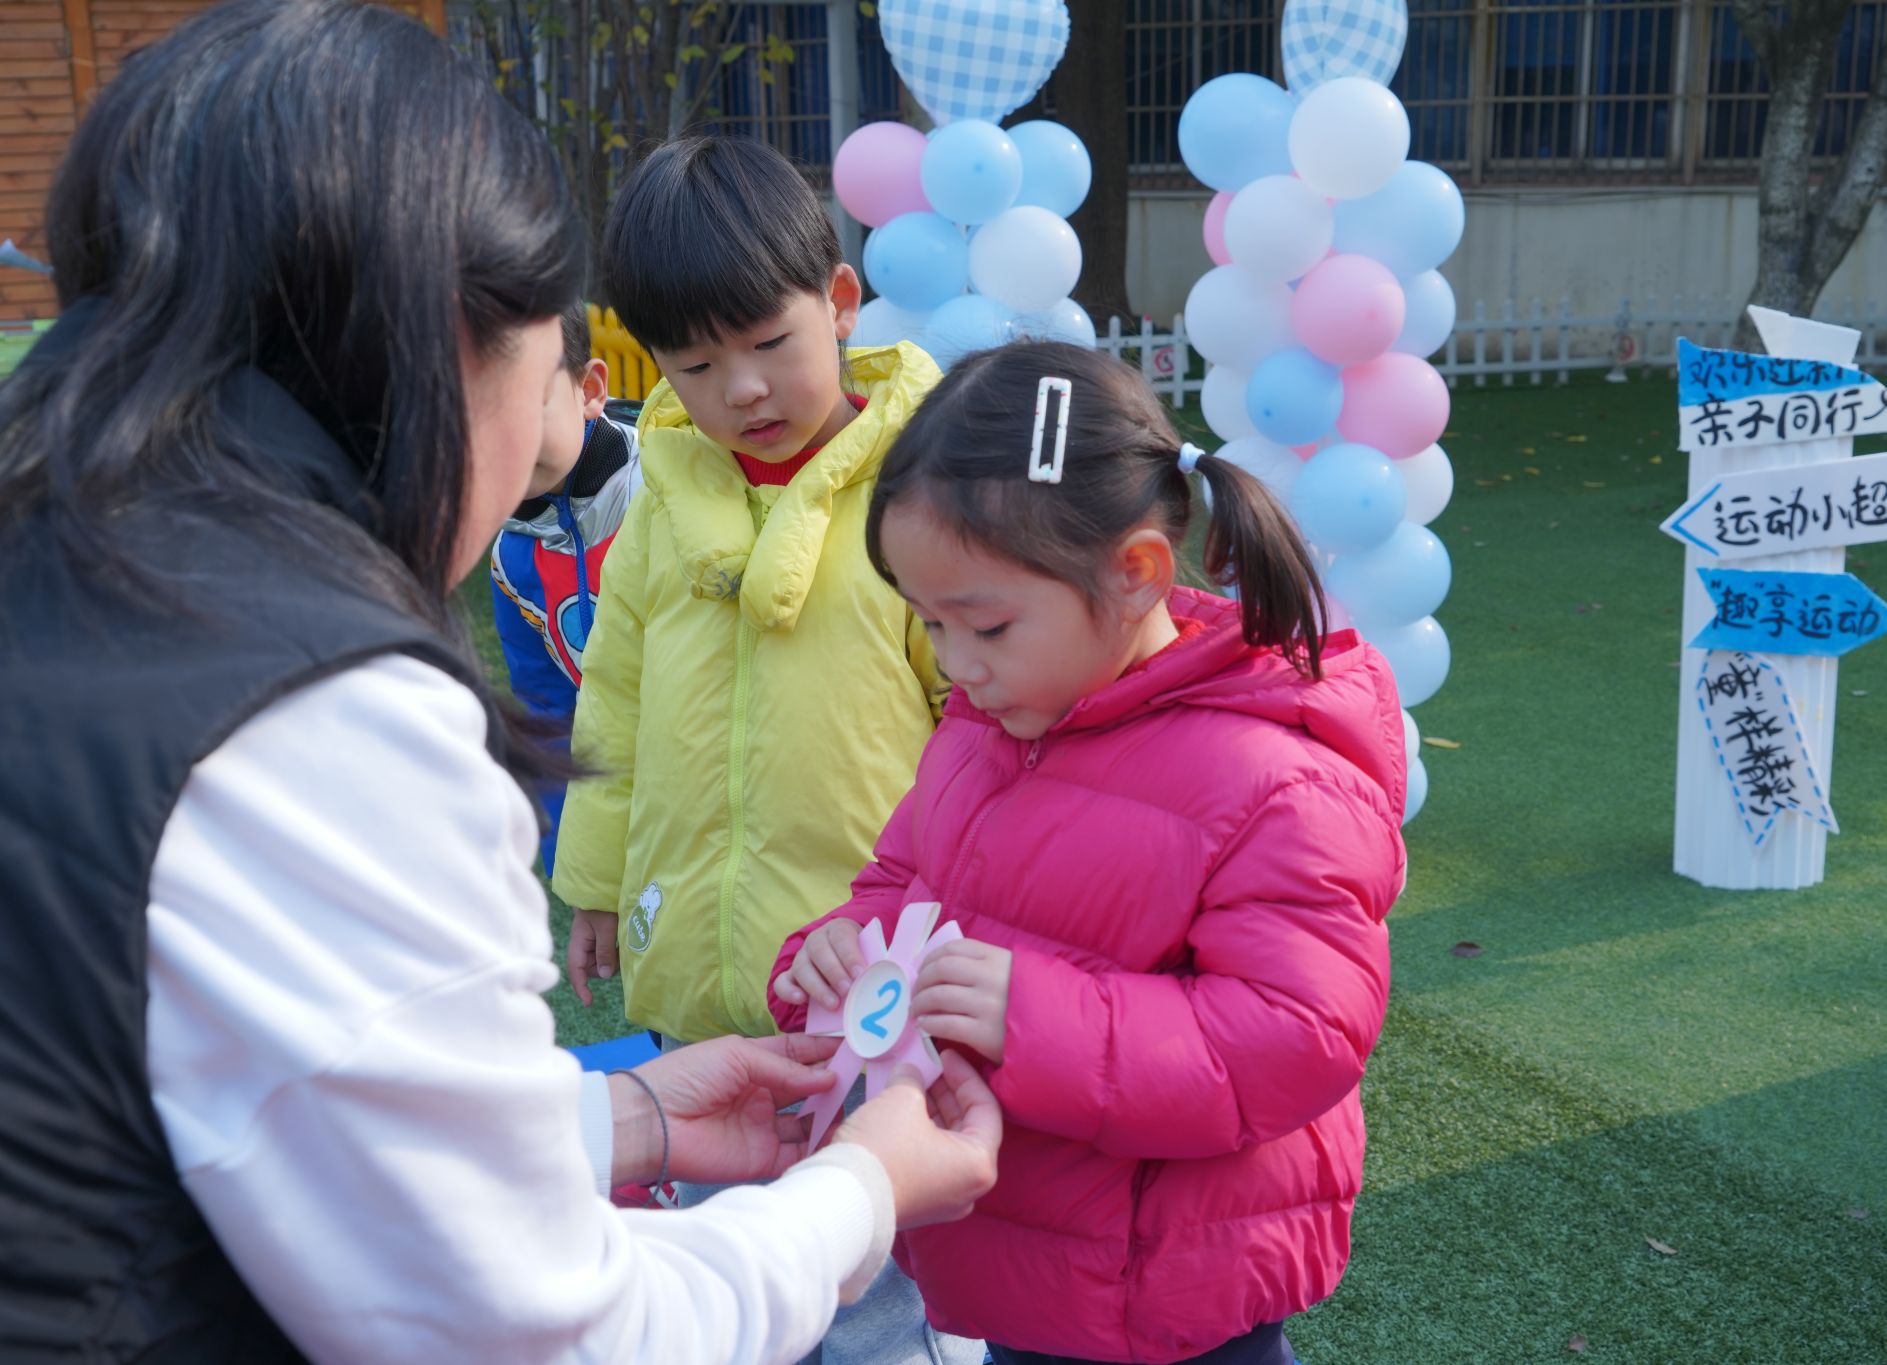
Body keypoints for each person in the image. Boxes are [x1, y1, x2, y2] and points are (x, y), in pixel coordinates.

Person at [0, 3, 998, 1361]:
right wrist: (863, 1188)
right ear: (446, 345)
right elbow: (542, 1327)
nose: (547, 439)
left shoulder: (79, 578)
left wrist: (616, 1118)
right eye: (548, 381)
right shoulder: (321, 711)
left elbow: (290, 1120)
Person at [769, 341, 1408, 1365]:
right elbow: (901, 881)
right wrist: (838, 952)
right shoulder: (989, 722)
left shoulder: (1275, 777)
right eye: (930, 625)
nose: (955, 665)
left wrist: (1031, 1016)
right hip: (1023, 1261)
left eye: (986, 626)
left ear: (1133, 575)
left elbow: (1293, 1038)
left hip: (1167, 1292)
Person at [549, 130, 971, 1365]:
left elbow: (978, 727)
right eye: (694, 365)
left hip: (872, 980)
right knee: (727, 1264)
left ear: (838, 301)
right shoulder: (663, 502)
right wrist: (593, 881)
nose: (741, 390)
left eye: (770, 343)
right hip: (697, 968)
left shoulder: (927, 490)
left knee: (881, 1285)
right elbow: (614, 700)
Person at [488, 300, 642, 873]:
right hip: (625, 815)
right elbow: (549, 712)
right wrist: (567, 855)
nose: (499, 440)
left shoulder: (667, 495)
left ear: (589, 389)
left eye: (520, 402)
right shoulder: (510, 557)